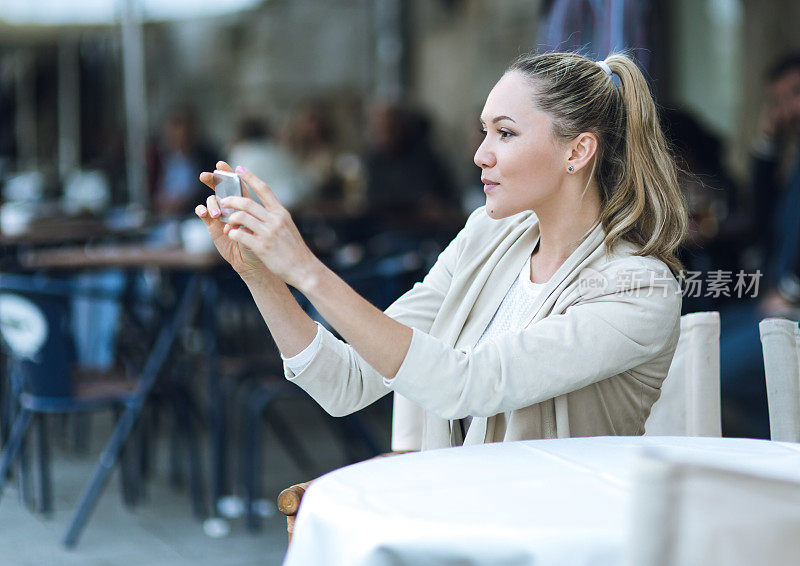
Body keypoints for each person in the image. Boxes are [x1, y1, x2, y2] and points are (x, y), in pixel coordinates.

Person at [195, 51, 687, 450]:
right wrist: (260, 273)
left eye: (506, 132)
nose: (480, 153)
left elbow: (467, 385)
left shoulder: (639, 287)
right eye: (485, 131)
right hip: (459, 516)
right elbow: (343, 384)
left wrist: (307, 270)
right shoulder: (485, 239)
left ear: (577, 151)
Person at [719, 54, 800, 438]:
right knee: (694, 341)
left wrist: (789, 292)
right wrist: (768, 143)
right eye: (779, 100)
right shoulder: (795, 155)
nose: (788, 109)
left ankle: (783, 454)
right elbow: (760, 223)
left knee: (718, 370)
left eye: (796, 94)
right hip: (775, 301)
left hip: (791, 304)